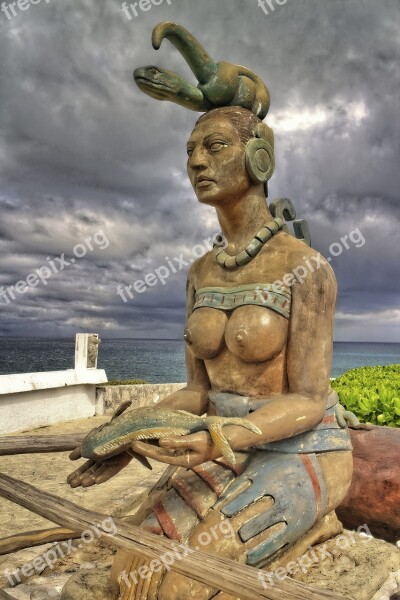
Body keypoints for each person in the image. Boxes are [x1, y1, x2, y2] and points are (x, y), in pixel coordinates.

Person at [67, 105, 353, 600]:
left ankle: (313, 526)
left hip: (300, 449)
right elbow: (198, 392)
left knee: (180, 589)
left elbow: (309, 400)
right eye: (189, 151)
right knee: (129, 577)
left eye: (214, 146)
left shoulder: (307, 269)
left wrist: (226, 437)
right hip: (222, 445)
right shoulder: (199, 273)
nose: (197, 162)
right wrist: (130, 429)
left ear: (259, 158)